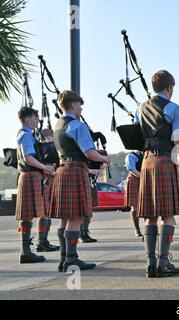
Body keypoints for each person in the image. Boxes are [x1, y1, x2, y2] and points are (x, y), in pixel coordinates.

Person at [49, 90, 111, 272]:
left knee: (64, 218)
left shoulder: (58, 125)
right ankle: (71, 259)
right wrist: (105, 159)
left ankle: (64, 258)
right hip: (75, 170)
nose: (81, 108)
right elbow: (88, 152)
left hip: (62, 170)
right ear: (73, 105)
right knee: (75, 216)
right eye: (80, 105)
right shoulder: (77, 125)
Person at [137, 70, 179, 278]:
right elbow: (177, 140)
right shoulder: (173, 107)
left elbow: (139, 134)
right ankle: (163, 262)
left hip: (147, 161)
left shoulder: (142, 106)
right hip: (166, 159)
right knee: (166, 214)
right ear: (169, 87)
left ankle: (150, 261)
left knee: (150, 214)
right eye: (172, 88)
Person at [15, 108, 57, 264]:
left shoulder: (28, 135)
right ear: (26, 119)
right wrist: (45, 167)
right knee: (27, 215)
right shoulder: (25, 135)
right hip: (30, 176)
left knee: (31, 214)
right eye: (35, 118)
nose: (37, 120)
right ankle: (25, 252)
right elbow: (28, 158)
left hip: (32, 176)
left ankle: (26, 251)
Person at [38, 128, 60, 252]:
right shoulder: (42, 149)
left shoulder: (50, 149)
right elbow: (44, 167)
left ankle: (44, 241)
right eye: (51, 137)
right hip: (45, 180)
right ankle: (42, 242)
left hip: (50, 180)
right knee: (45, 213)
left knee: (47, 213)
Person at [125, 151, 143, 237]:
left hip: (144, 179)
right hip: (134, 180)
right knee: (135, 206)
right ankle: (137, 229)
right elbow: (132, 169)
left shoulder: (146, 155)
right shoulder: (131, 156)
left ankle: (149, 228)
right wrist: (144, 177)